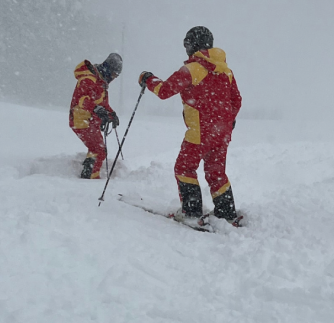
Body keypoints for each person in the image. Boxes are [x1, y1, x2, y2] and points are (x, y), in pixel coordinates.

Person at [138, 26, 242, 226]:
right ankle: (227, 213)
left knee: (184, 168)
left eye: (186, 44)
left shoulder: (193, 69)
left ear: (191, 45)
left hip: (200, 133)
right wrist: (228, 120)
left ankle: (192, 212)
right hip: (222, 133)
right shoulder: (226, 71)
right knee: (216, 173)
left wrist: (148, 79)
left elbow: (164, 90)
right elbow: (236, 101)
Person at [69, 53, 122, 179]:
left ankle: (89, 172)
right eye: (114, 74)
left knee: (97, 149)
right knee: (98, 149)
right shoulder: (89, 78)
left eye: (117, 76)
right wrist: (96, 109)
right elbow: (82, 99)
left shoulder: (101, 82)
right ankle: (90, 176)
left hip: (90, 119)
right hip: (81, 119)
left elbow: (102, 104)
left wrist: (111, 114)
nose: (114, 78)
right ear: (108, 68)